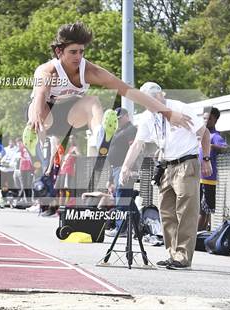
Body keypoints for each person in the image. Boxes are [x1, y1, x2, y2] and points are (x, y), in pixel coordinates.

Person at [25, 22, 192, 157]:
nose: (78, 57)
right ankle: (35, 138)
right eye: (73, 52)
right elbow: (40, 94)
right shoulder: (47, 71)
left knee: (92, 100)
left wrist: (167, 112)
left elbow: (129, 91)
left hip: (72, 118)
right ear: (58, 51)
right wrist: (36, 119)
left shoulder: (90, 71)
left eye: (81, 52)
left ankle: (99, 136)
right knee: (37, 108)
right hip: (47, 117)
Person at [120, 82, 212, 270]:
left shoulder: (179, 108)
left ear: (162, 95)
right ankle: (172, 253)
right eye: (148, 102)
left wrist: (206, 159)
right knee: (166, 210)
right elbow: (137, 144)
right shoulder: (147, 117)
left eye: (155, 99)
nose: (152, 105)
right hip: (166, 166)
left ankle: (183, 256)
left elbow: (205, 133)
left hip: (186, 163)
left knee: (186, 210)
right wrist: (125, 167)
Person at [101, 107, 139, 238]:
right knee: (126, 199)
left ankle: (121, 228)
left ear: (126, 116)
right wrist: (111, 179)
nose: (118, 121)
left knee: (121, 198)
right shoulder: (119, 131)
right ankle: (138, 227)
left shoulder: (131, 129)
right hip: (116, 168)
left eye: (119, 118)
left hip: (125, 168)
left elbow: (134, 149)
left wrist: (129, 168)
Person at [198, 107, 229, 231]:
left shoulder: (215, 136)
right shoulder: (200, 135)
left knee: (204, 210)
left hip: (208, 178)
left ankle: (196, 237)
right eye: (204, 118)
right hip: (196, 177)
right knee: (197, 209)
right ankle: (201, 235)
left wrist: (211, 146)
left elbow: (226, 148)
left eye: (209, 118)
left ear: (215, 120)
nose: (206, 121)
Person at [56, 135, 80, 206]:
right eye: (70, 138)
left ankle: (66, 205)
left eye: (72, 138)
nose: (71, 140)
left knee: (66, 189)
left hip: (68, 171)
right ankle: (61, 205)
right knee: (61, 189)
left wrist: (72, 155)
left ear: (76, 139)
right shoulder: (70, 148)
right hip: (63, 170)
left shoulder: (75, 148)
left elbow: (79, 155)